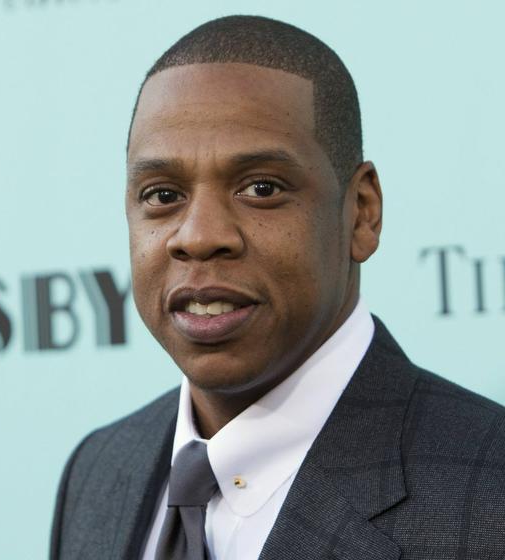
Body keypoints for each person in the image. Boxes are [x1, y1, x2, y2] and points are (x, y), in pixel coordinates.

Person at [49, 15, 505, 560]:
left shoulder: (489, 491)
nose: (199, 237)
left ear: (361, 213)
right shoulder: (98, 471)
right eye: (163, 195)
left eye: (261, 188)